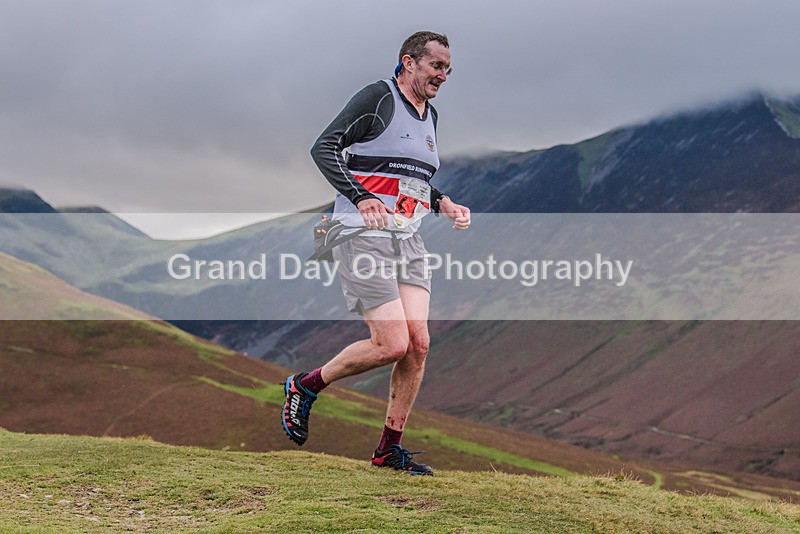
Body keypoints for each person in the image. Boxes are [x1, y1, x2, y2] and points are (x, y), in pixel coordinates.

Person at [282, 31, 470, 476]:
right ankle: (305, 386)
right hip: (358, 232)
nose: (443, 75)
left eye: (448, 69)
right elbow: (323, 147)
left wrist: (443, 202)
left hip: (407, 237)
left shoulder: (431, 115)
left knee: (418, 345)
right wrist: (360, 196)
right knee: (392, 343)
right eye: (436, 66)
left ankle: (388, 449)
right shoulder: (378, 97)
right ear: (409, 62)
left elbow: (412, 178)